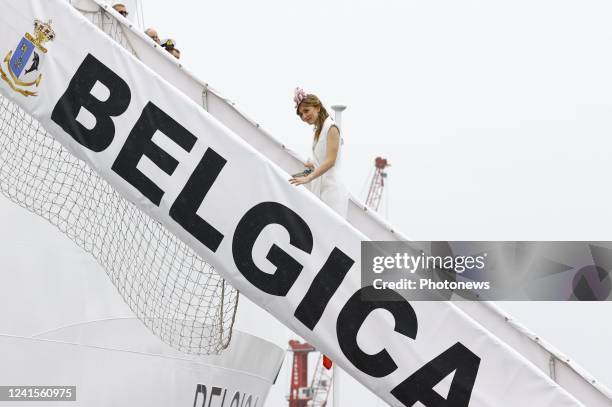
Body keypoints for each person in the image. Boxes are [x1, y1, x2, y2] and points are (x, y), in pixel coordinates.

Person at [289, 87, 349, 219]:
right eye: (301, 114)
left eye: (306, 111)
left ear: (317, 107)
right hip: (322, 190)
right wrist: (313, 165)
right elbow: (324, 159)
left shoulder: (331, 127)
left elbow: (331, 160)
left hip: (332, 193)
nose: (304, 116)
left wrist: (308, 177)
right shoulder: (318, 131)